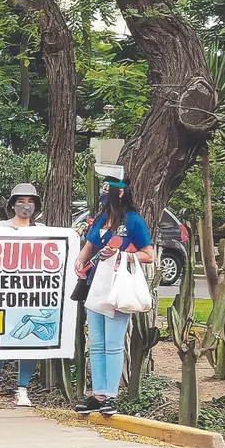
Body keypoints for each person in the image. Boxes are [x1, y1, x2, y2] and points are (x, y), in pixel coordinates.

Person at [74, 178, 154, 416]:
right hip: (96, 284)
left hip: (118, 285)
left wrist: (123, 255)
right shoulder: (101, 219)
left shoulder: (134, 221)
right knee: (97, 343)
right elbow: (90, 246)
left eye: (109, 188)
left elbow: (148, 254)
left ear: (120, 193)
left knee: (113, 344)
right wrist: (80, 261)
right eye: (103, 187)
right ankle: (98, 394)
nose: (104, 191)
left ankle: (111, 395)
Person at [0, 183, 40, 407]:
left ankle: (22, 389)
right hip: (2, 294)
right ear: (12, 204)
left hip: (31, 294)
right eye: (21, 201)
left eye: (30, 201)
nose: (26, 206)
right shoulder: (0, 228)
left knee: (29, 341)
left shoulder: (43, 231)